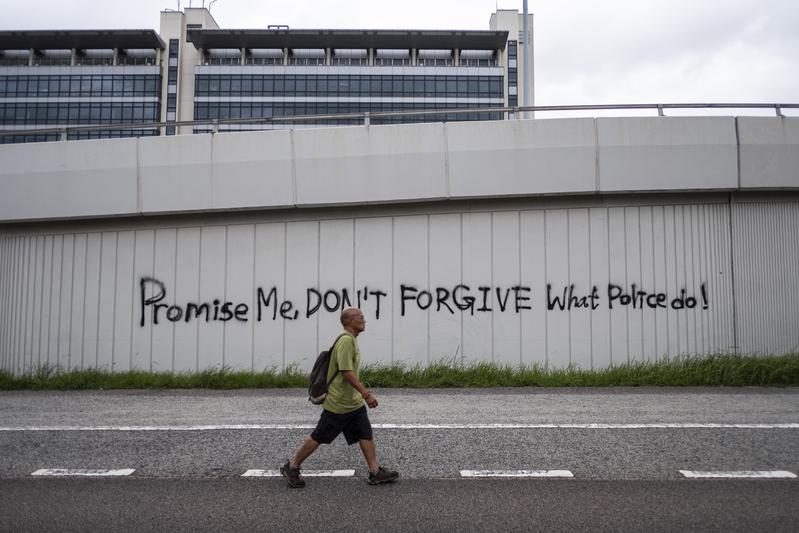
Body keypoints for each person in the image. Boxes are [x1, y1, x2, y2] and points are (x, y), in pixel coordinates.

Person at [281, 307, 399, 488]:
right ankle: (292, 466)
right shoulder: (345, 341)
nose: (364, 321)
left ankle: (375, 472)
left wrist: (360, 397)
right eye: (361, 318)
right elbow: (346, 372)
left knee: (365, 433)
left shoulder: (351, 340)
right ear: (350, 322)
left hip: (352, 402)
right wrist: (366, 394)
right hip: (339, 404)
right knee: (318, 436)